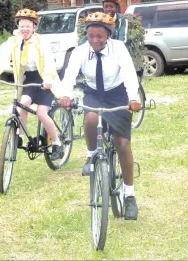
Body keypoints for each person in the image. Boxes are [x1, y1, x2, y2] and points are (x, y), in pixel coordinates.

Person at [59, 12, 141, 220]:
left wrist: (133, 98)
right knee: (91, 118)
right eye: (91, 36)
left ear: (108, 36)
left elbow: (130, 74)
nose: (95, 40)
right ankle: (91, 154)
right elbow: (69, 75)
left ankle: (129, 195)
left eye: (100, 36)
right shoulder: (80, 51)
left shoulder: (119, 48)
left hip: (117, 94)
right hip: (94, 94)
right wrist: (66, 95)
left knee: (122, 143)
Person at [0, 8, 64, 160]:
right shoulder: (13, 42)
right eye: (22, 26)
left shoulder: (41, 43)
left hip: (45, 79)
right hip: (29, 79)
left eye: (28, 26)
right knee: (23, 104)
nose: (24, 29)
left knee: (41, 113)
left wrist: (48, 80)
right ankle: (19, 136)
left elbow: (48, 63)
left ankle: (56, 143)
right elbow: (1, 58)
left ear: (34, 27)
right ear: (18, 27)